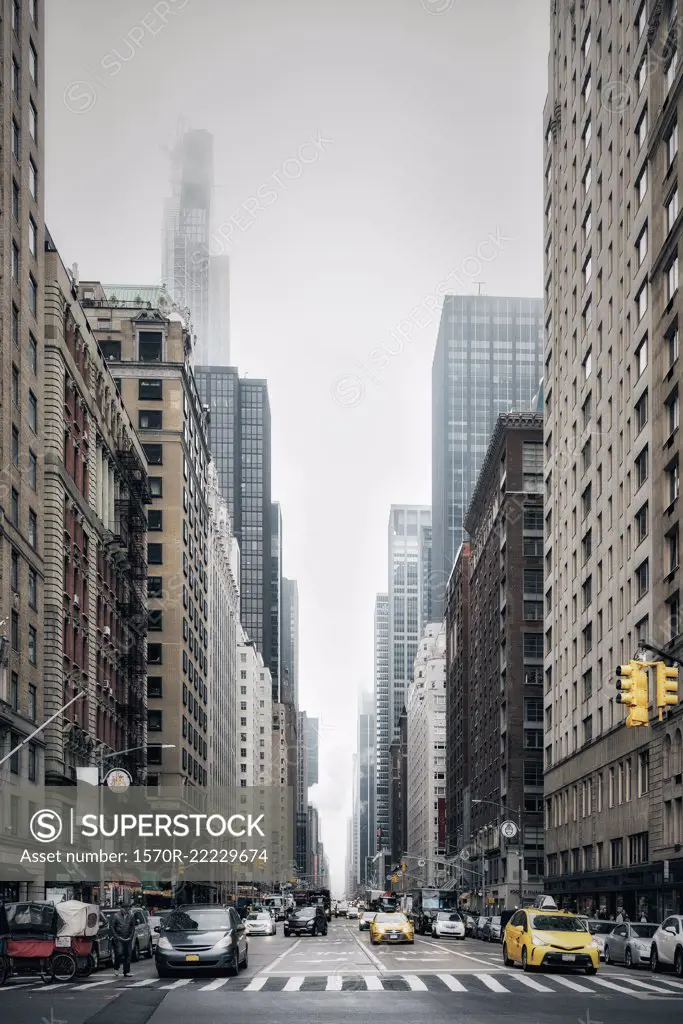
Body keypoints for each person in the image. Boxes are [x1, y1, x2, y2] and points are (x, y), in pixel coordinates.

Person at [110, 900, 136, 978]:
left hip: (128, 938)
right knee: (119, 953)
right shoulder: (116, 916)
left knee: (128, 954)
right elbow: (112, 927)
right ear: (123, 909)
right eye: (127, 908)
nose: (128, 910)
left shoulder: (131, 916)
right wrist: (116, 936)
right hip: (119, 938)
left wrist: (131, 936)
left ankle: (126, 971)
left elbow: (133, 927)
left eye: (129, 908)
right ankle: (116, 968)